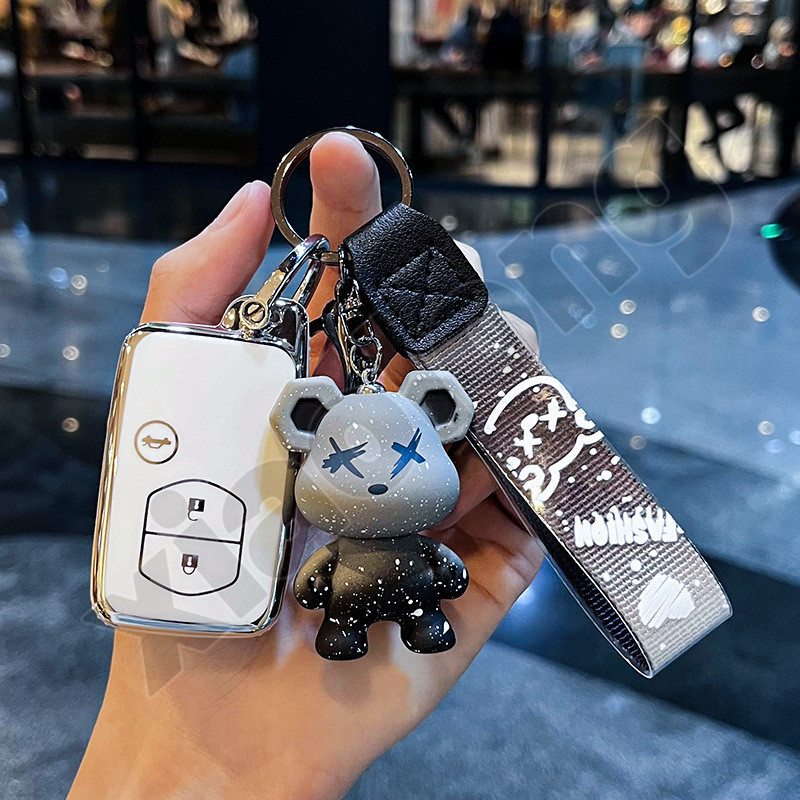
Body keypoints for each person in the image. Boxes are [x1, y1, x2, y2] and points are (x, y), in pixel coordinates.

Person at [67, 131, 542, 799]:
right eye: (344, 462)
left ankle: (420, 623)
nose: (376, 478)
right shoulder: (316, 453)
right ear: (306, 423)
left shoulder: (395, 459)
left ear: (442, 413)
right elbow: (317, 577)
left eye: (407, 458)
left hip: (398, 594)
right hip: (332, 608)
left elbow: (427, 571)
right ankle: (368, 629)